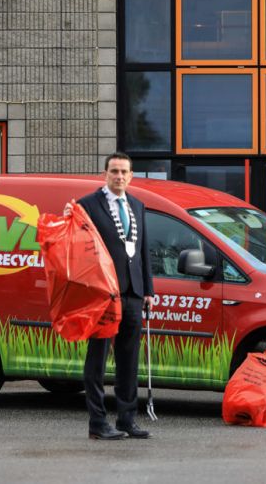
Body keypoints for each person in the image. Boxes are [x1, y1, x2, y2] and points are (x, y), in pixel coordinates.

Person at [66, 152, 156, 440]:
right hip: (102, 295)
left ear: (131, 176)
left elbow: (143, 251)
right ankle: (97, 423)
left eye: (124, 172)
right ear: (105, 174)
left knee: (129, 360)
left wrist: (149, 290)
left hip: (132, 293)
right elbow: (78, 250)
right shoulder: (88, 206)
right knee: (98, 359)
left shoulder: (138, 206)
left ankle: (127, 420)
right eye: (114, 171)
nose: (119, 176)